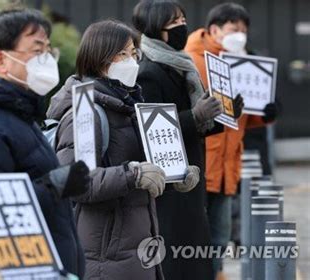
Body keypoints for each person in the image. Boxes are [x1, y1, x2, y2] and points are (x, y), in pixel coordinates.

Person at [47, 19, 201, 280]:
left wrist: (176, 174)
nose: (131, 61)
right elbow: (78, 182)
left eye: (133, 53)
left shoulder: (127, 105)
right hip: (104, 255)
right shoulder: (84, 113)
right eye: (122, 54)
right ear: (99, 58)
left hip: (137, 247)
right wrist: (133, 175)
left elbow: (146, 165)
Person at [0, 8, 89, 277]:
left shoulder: (22, 115)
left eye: (48, 51)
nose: (46, 60)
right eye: (37, 51)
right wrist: (55, 185)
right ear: (1, 60)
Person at [132, 1, 225, 279]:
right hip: (171, 184)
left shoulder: (181, 65)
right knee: (179, 256)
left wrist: (223, 115)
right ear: (155, 29)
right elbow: (152, 133)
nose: (182, 27)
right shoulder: (149, 72)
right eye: (174, 23)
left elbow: (197, 127)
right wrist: (194, 116)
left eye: (183, 19)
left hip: (191, 176)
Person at [184, 3, 277, 279]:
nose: (241, 36)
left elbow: (243, 115)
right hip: (200, 165)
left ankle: (216, 274)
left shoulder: (245, 61)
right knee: (193, 239)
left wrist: (265, 114)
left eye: (244, 30)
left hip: (227, 166)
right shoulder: (193, 60)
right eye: (234, 29)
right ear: (214, 29)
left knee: (219, 238)